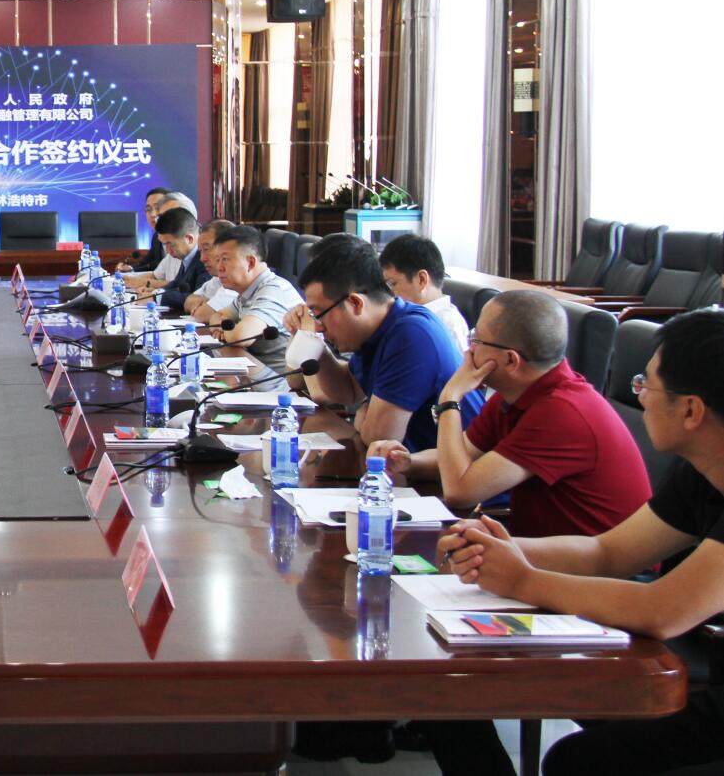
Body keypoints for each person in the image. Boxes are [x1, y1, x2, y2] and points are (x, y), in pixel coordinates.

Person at [439, 310, 724, 776]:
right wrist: (497, 549)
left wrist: (523, 580)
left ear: (691, 410)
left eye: (645, 386)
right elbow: (608, 552)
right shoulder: (700, 471)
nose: (639, 398)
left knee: (577, 761)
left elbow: (664, 611)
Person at [370, 290, 651, 536]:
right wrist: (408, 462)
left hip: (599, 572)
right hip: (542, 554)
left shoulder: (561, 412)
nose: (469, 350)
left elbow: (460, 491)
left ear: (510, 360)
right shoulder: (516, 394)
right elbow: (463, 453)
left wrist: (450, 397)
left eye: (477, 340)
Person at [288, 236, 482, 451]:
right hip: (409, 464)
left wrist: (364, 417)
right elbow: (349, 390)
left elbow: (379, 437)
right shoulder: (378, 326)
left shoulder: (411, 334)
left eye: (318, 314)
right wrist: (315, 345)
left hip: (449, 468)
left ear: (355, 303)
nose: (318, 326)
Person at [191, 224, 302, 377]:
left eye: (225, 259)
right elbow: (216, 317)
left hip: (281, 383)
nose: (219, 267)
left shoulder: (274, 289)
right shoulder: (247, 291)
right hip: (258, 375)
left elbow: (241, 337)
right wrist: (226, 329)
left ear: (250, 262)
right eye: (218, 260)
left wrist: (225, 331)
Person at [377, 234, 468, 357]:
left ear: (421, 280)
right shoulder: (407, 316)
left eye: (393, 284)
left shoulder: (448, 326)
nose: (389, 293)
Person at [146, 207, 210, 313]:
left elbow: (197, 298)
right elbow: (177, 283)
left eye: (170, 244)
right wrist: (155, 292)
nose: (167, 250)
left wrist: (157, 297)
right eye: (164, 245)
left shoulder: (205, 260)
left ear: (189, 239)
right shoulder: (187, 256)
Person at [180, 218, 237, 319]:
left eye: (206, 249)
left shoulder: (235, 281)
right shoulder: (217, 278)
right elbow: (188, 302)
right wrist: (206, 304)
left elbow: (202, 315)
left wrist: (205, 305)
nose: (202, 259)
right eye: (200, 251)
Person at [114, 186, 171, 273]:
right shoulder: (156, 236)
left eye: (157, 208)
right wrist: (131, 268)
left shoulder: (182, 239)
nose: (152, 214)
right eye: (148, 209)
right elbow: (149, 262)